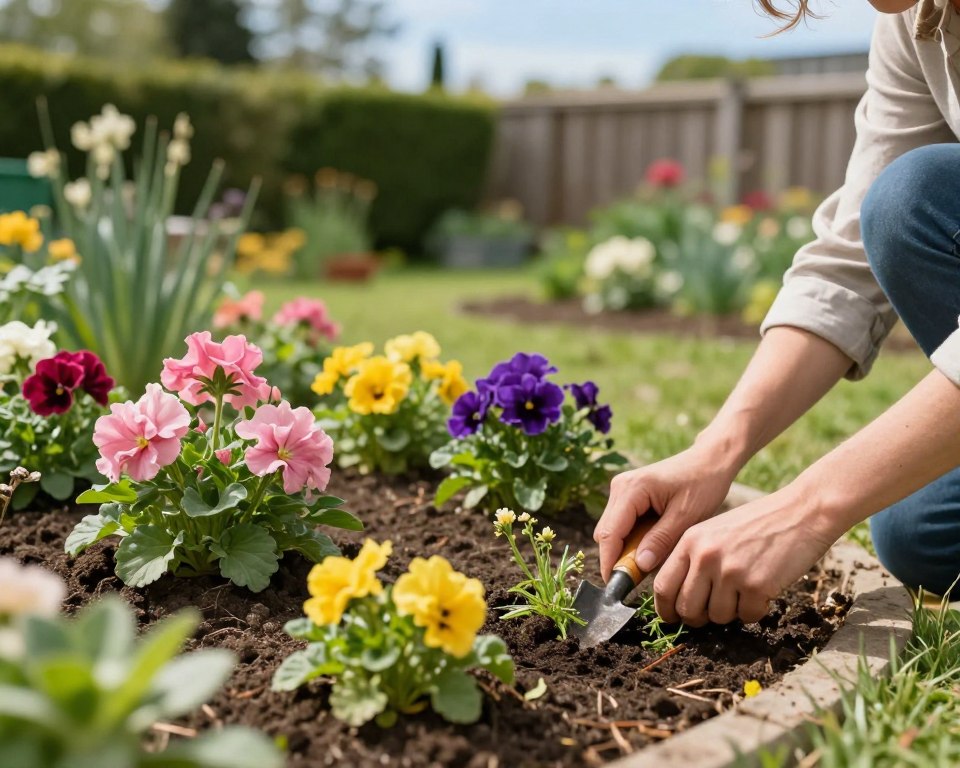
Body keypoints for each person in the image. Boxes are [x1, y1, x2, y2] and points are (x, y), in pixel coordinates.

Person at [594, 0, 960, 627]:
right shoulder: (916, 18)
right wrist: (715, 452)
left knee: (913, 199)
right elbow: (847, 262)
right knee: (917, 533)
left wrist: (808, 507)